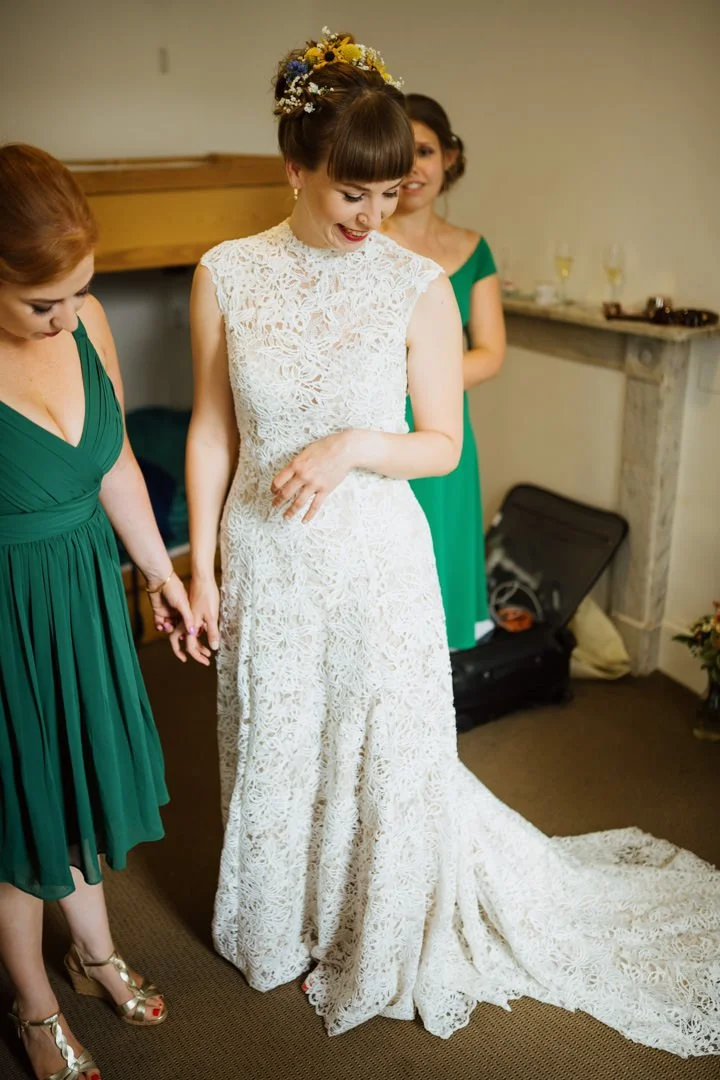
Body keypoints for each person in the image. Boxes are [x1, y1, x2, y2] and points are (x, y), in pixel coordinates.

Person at [177, 30, 720, 1054]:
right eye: (352, 195)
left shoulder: (414, 285)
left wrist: (351, 446)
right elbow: (211, 429)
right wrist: (200, 567)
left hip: (376, 555)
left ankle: (367, 934)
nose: (374, 219)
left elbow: (435, 444)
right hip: (268, 556)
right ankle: (283, 923)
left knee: (378, 752)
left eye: (388, 196)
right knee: (281, 740)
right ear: (295, 167)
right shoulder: (225, 274)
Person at [0, 144, 199, 1080]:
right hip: (4, 616)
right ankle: (33, 1003)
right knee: (18, 810)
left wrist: (163, 576)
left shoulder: (86, 325)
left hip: (81, 590)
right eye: (44, 302)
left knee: (78, 781)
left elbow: (115, 461)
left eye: (80, 292)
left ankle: (90, 953)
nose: (67, 316)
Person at [383, 94, 505, 649]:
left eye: (425, 151)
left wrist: (426, 383)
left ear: (450, 157)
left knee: (440, 560)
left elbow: (491, 352)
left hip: (447, 431)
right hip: (379, 425)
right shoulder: (361, 239)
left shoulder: (473, 249)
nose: (412, 167)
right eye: (401, 152)